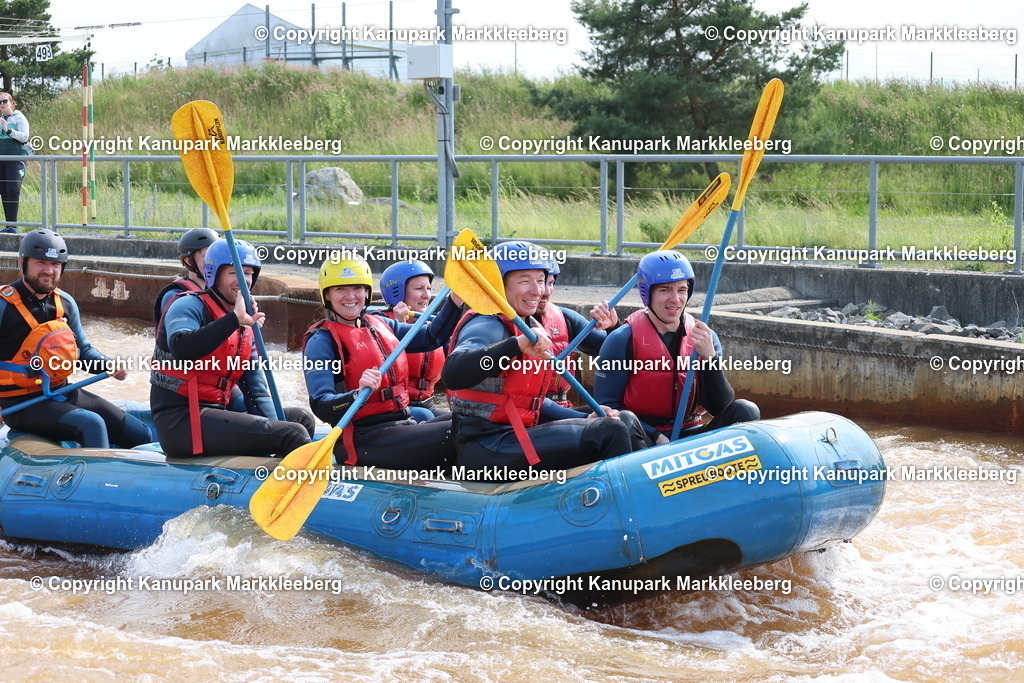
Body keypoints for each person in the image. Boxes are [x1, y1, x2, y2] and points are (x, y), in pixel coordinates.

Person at [442, 241, 646, 476]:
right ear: (499, 284)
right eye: (525, 281)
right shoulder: (487, 323)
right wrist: (514, 345)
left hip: (517, 433)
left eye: (540, 280)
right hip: (486, 445)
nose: (538, 291)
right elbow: (452, 373)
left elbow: (529, 403)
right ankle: (619, 507)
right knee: (609, 432)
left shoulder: (528, 322)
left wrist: (614, 328)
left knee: (624, 420)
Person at [150, 239, 315, 458]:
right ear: (213, 275)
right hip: (182, 421)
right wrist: (234, 320)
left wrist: (272, 424)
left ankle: (265, 476)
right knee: (291, 434)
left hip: (219, 412)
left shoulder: (244, 323)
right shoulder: (189, 305)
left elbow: (256, 389)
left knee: (300, 420)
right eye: (234, 273)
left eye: (248, 273)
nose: (244, 280)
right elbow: (182, 348)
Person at [302, 257, 464, 469]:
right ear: (327, 295)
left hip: (402, 424)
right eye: (340, 289)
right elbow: (322, 405)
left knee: (468, 418)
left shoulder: (381, 324)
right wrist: (357, 394)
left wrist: (456, 298)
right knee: (464, 428)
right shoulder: (321, 341)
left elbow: (433, 336)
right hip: (363, 440)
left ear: (367, 292)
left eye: (357, 288)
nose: (351, 296)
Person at [0, 229, 151, 447]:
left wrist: (108, 365)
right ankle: (98, 481)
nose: (49, 271)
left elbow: (83, 352)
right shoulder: (4, 305)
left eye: (56, 264)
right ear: (21, 262)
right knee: (91, 424)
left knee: (138, 433)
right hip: (19, 403)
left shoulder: (66, 304)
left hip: (61, 391)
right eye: (41, 262)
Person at [594, 250, 759, 446]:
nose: (675, 299)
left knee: (746, 410)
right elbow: (606, 410)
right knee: (624, 420)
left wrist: (709, 360)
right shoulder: (621, 339)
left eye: (681, 290)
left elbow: (719, 407)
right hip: (644, 437)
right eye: (665, 290)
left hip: (693, 433)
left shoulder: (705, 337)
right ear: (647, 293)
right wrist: (656, 437)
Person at [536, 255, 619, 408]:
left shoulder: (565, 318)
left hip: (560, 410)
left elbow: (613, 351)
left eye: (551, 283)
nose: (546, 292)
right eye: (540, 283)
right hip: (521, 414)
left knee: (621, 416)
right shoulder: (496, 322)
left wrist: (614, 328)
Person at [374, 259, 448, 420]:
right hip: (395, 408)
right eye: (419, 288)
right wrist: (400, 325)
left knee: (459, 421)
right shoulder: (379, 323)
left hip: (427, 404)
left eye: (428, 288)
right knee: (426, 416)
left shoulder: (433, 327)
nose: (426, 295)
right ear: (398, 291)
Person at [152, 228, 221, 323]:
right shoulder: (175, 296)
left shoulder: (219, 293)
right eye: (207, 256)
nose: (214, 261)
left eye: (217, 255)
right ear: (188, 261)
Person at [0, 92, 31, 232]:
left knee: (12, 190)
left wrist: (8, 130)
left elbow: (24, 137)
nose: (1, 104)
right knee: (4, 192)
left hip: (16, 159)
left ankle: (12, 226)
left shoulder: (19, 118)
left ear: (12, 102)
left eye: (4, 101)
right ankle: (8, 227)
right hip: (1, 159)